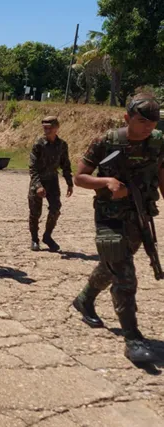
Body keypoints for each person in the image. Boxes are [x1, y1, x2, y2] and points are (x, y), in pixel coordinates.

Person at [71, 94, 163, 364]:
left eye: (154, 121)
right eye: (142, 120)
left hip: (140, 216)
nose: (148, 126)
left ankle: (85, 298)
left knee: (113, 263)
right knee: (125, 274)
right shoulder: (106, 141)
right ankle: (132, 337)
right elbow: (80, 177)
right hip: (110, 216)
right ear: (127, 118)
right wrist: (107, 181)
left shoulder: (158, 143)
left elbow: (161, 176)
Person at [28, 116, 73, 252]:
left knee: (55, 208)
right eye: (44, 128)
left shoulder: (62, 145)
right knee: (35, 212)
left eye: (49, 128)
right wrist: (38, 186)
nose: (46, 130)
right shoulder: (38, 144)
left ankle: (47, 236)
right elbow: (33, 167)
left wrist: (69, 183)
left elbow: (65, 164)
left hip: (52, 181)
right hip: (38, 181)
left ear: (56, 128)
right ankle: (34, 239)